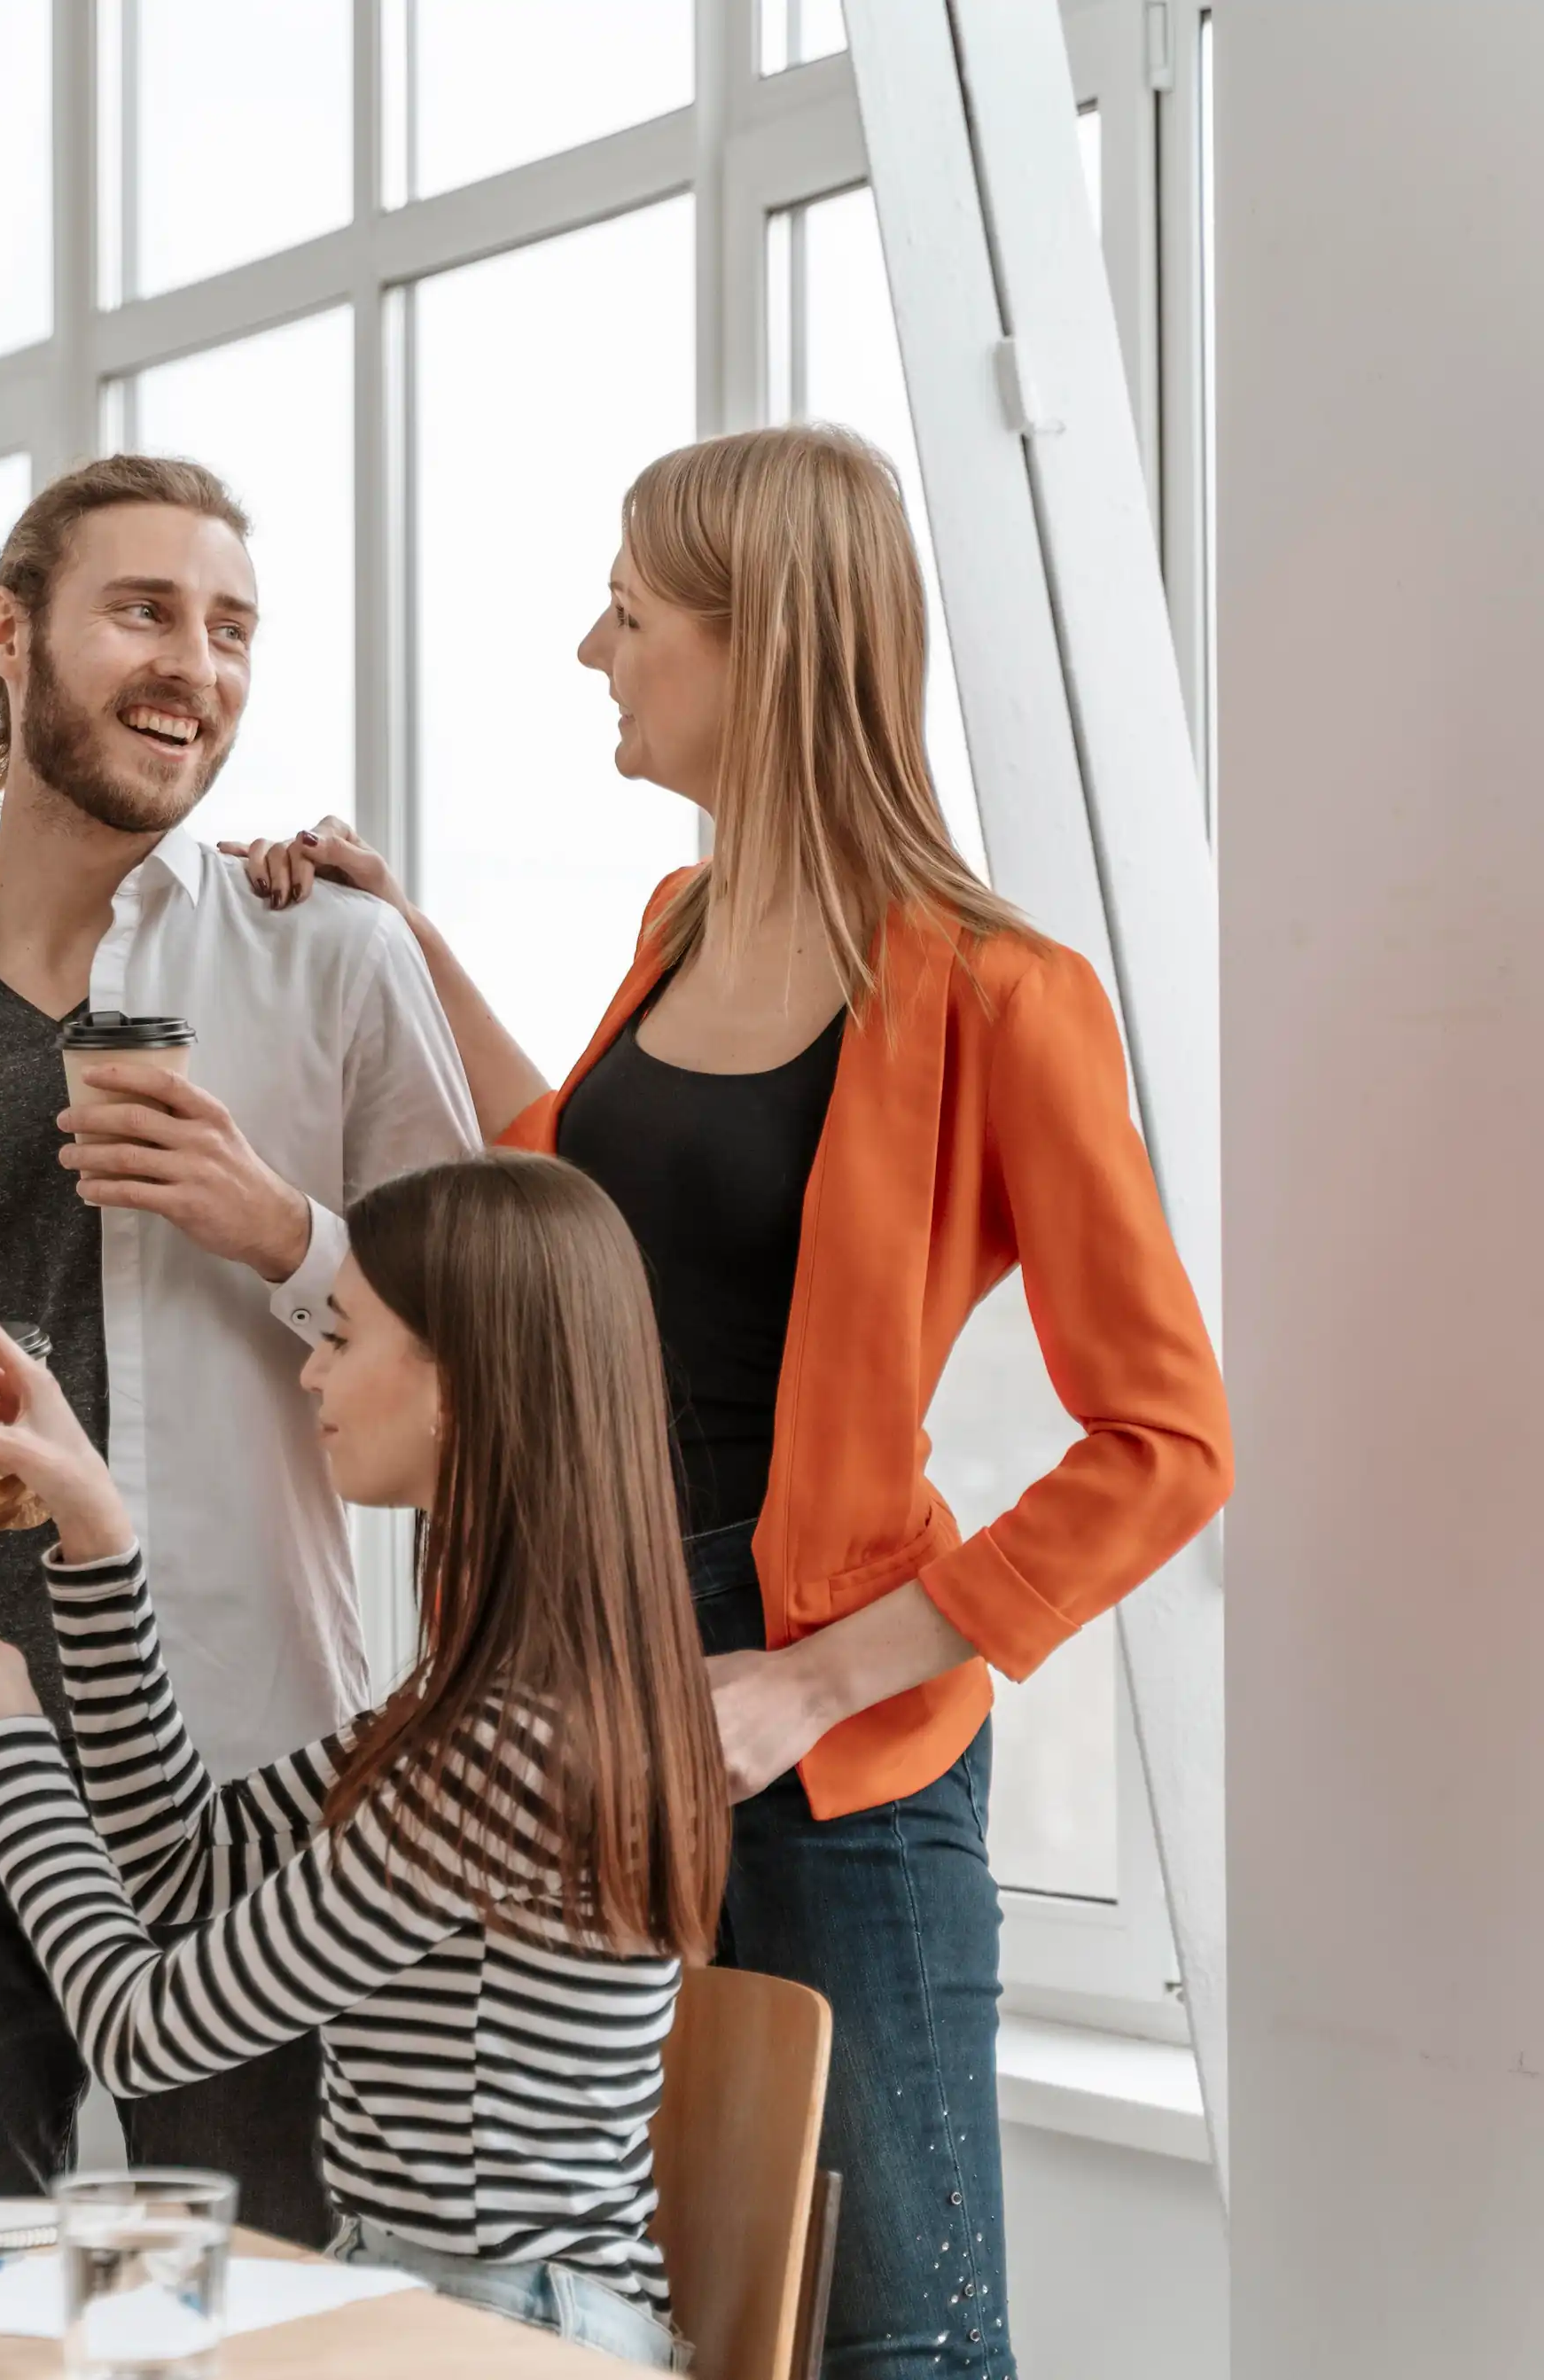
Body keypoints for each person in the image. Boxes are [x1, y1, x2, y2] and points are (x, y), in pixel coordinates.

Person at [237, 423, 1233, 2378]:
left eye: (624, 612)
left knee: (893, 2343)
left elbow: (1166, 1441)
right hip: (575, 1699)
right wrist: (399, 930)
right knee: (631, 2314)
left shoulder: (993, 991)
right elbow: (579, 1206)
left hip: (822, 1750)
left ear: (754, 641)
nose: (588, 651)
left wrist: (812, 1680)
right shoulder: (672, 931)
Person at [0, 454, 476, 2240]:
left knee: (254, 2317)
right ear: (8, 637)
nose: (195, 668)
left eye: (229, 629)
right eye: (144, 611)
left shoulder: (335, 964)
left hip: (238, 1797)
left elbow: (490, 1374)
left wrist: (273, 1225)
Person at [0, 1153, 726, 2368]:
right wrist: (99, 1544)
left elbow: (140, 2031)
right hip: (435, 2308)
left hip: (495, 2337)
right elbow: (180, 1869)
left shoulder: (509, 1746)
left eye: (342, 1334)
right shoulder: (488, 1705)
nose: (310, 1367)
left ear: (457, 1387)